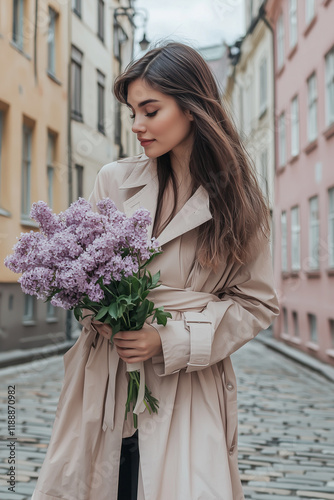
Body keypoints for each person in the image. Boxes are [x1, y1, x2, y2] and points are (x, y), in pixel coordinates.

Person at [31, 42, 280, 500]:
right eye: (132, 112)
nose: (137, 126)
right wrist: (98, 316)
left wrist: (168, 340)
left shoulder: (240, 202)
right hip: (103, 382)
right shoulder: (114, 180)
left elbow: (257, 303)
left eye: (150, 110)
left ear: (192, 108)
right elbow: (83, 268)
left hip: (187, 387)